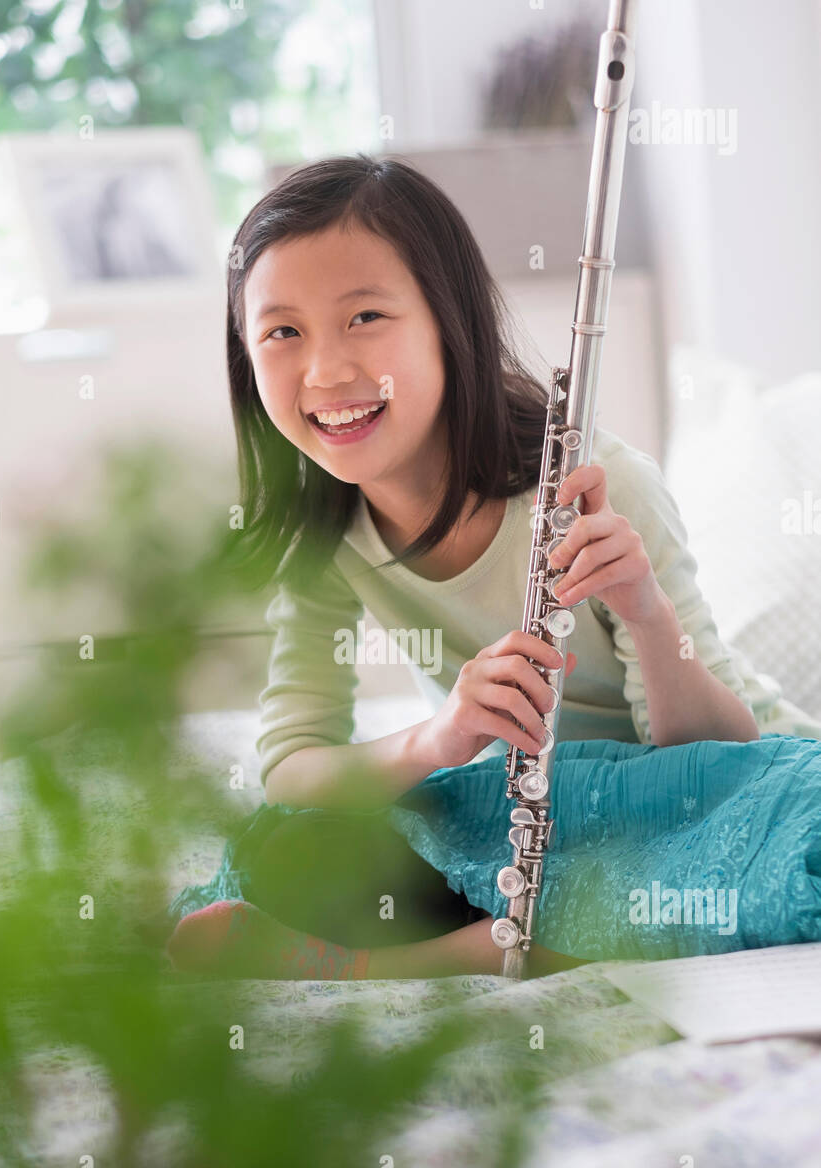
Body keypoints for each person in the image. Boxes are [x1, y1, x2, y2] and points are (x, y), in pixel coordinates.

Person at [166, 154, 819, 983]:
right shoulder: (322, 540)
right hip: (520, 811)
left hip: (713, 797)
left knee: (756, 860)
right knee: (284, 844)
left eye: (365, 316)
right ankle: (524, 927)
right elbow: (294, 768)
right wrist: (438, 740)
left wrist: (646, 612)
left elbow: (721, 752)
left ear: (450, 323)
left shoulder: (602, 487)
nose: (325, 371)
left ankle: (374, 968)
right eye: (282, 331)